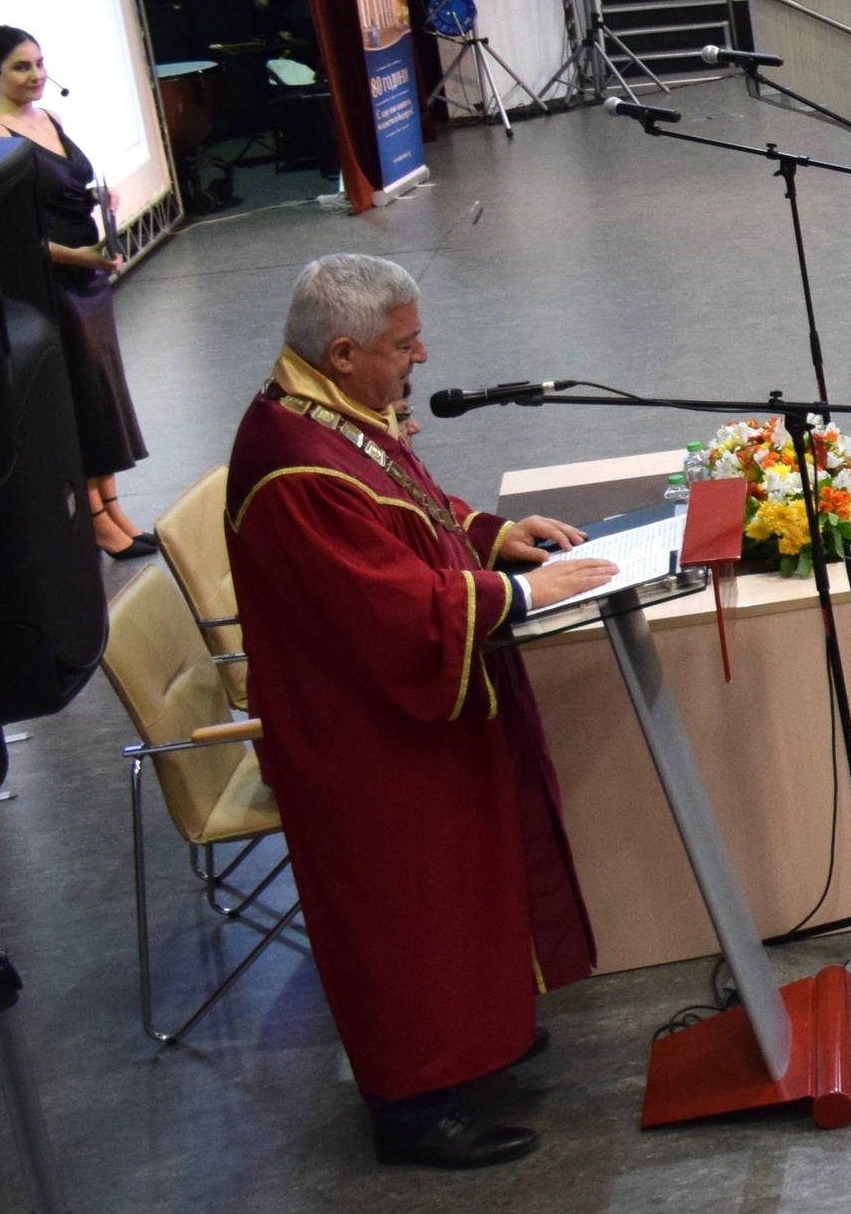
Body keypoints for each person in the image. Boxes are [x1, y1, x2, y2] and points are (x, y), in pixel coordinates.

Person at [230, 254, 617, 1167]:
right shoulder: (294, 467)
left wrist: (491, 535)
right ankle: (412, 1107)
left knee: (456, 898)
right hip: (359, 740)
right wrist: (519, 594)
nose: (423, 357)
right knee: (407, 917)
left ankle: (475, 1039)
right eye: (405, 344)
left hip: (385, 719)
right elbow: (388, 607)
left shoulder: (326, 410)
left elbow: (406, 506)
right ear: (343, 351)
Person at [0, 27, 151, 557]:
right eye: (21, 67)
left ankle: (113, 506)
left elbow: (63, 188)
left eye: (39, 63)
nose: (36, 76)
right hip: (54, 284)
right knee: (80, 396)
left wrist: (100, 196)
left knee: (102, 390)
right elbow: (15, 235)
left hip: (88, 276)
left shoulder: (49, 117)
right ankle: (95, 520)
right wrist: (81, 257)